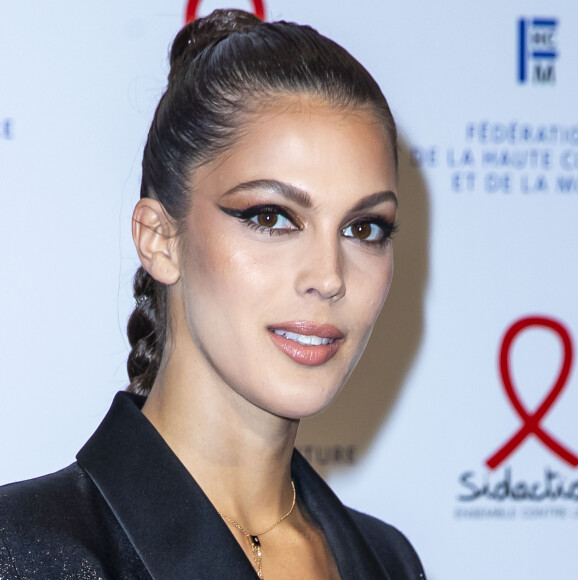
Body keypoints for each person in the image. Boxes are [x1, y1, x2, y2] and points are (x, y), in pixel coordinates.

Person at [0, 9, 425, 579]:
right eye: (272, 217)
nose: (328, 276)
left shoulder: (389, 562)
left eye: (364, 228)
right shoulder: (30, 550)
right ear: (160, 239)